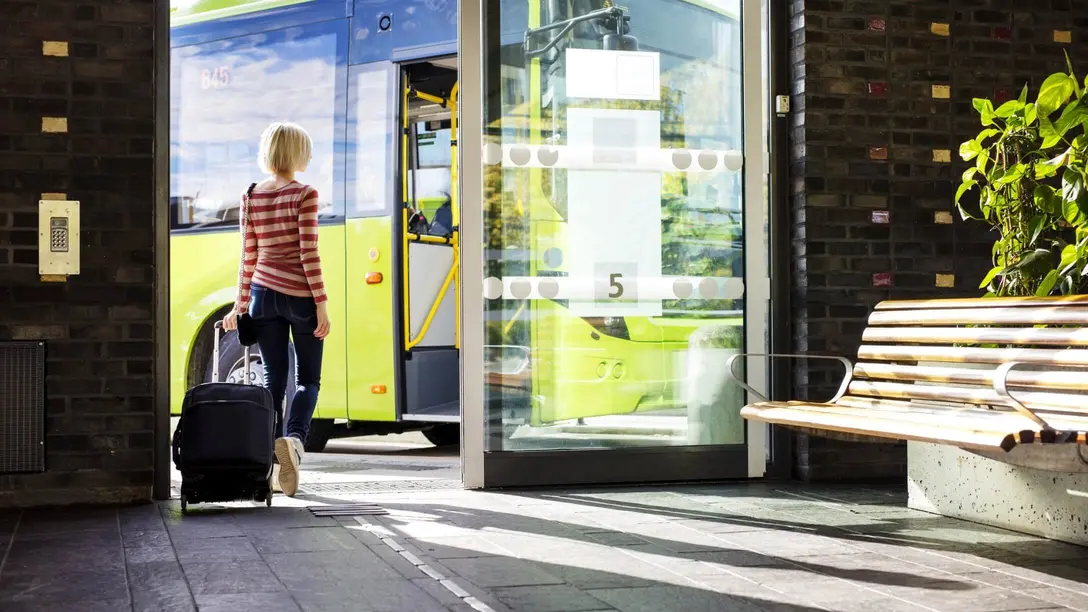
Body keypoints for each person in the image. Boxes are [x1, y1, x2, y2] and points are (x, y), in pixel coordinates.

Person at [222, 121, 331, 497]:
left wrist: (240, 304)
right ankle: (295, 443)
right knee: (308, 380)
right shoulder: (305, 194)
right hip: (299, 295)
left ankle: (269, 460)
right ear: (297, 153)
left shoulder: (251, 194)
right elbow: (307, 253)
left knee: (273, 380)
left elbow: (247, 255)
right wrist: (321, 302)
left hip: (262, 295)